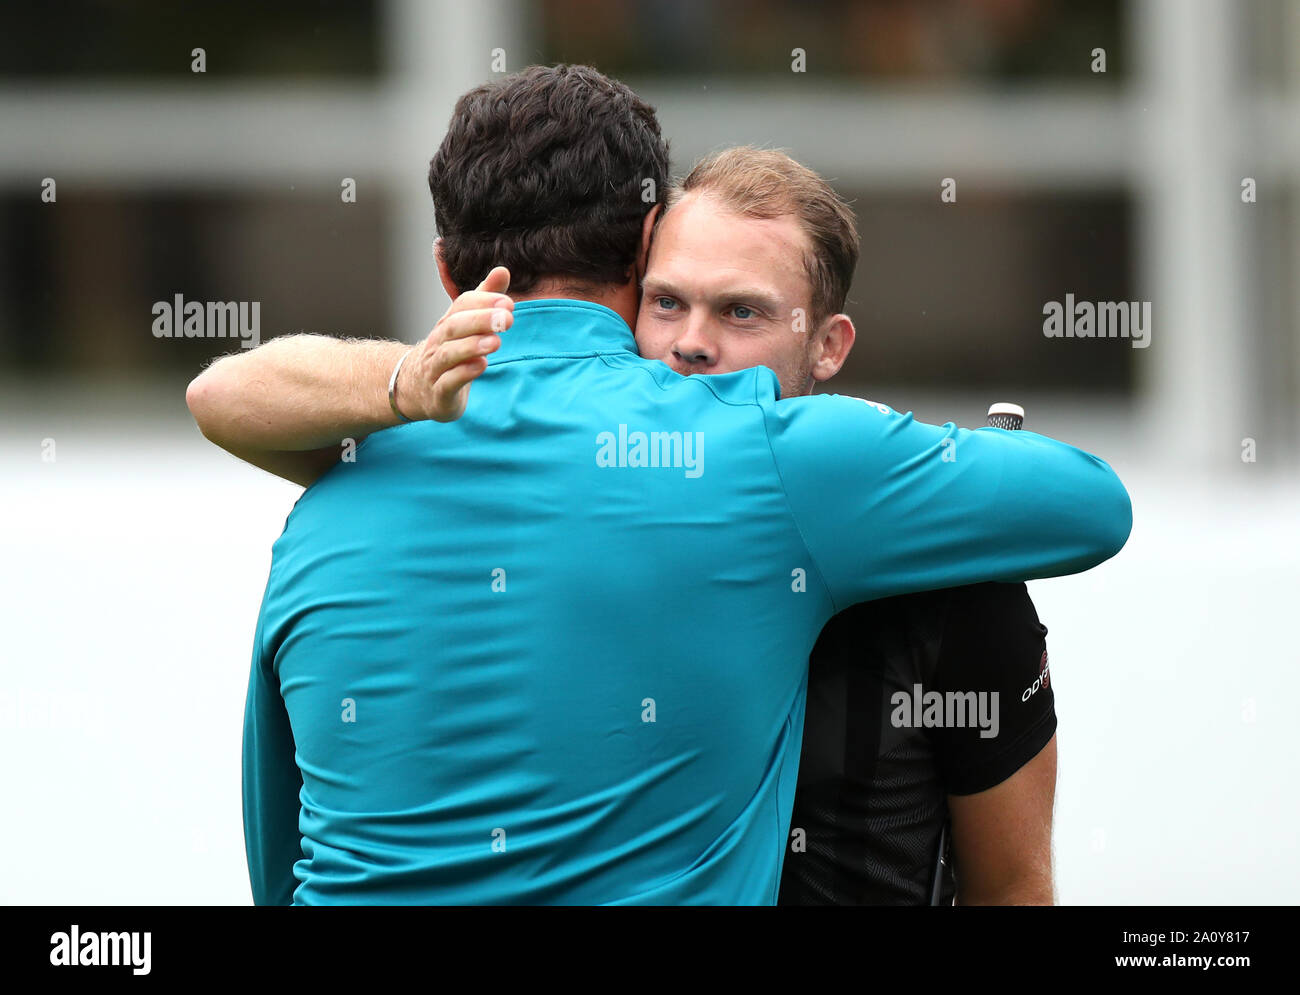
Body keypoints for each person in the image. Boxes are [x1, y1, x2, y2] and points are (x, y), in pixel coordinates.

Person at [187, 65, 1131, 904]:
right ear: (647, 246)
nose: (692, 338)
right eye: (673, 297)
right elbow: (1092, 505)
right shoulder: (765, 453)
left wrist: (396, 387)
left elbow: (282, 865)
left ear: (445, 270)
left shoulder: (323, 501)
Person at [631, 148, 1059, 905]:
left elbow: (1015, 884)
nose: (691, 342)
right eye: (666, 302)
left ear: (827, 346)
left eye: (741, 311)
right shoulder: (575, 525)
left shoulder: (955, 582)